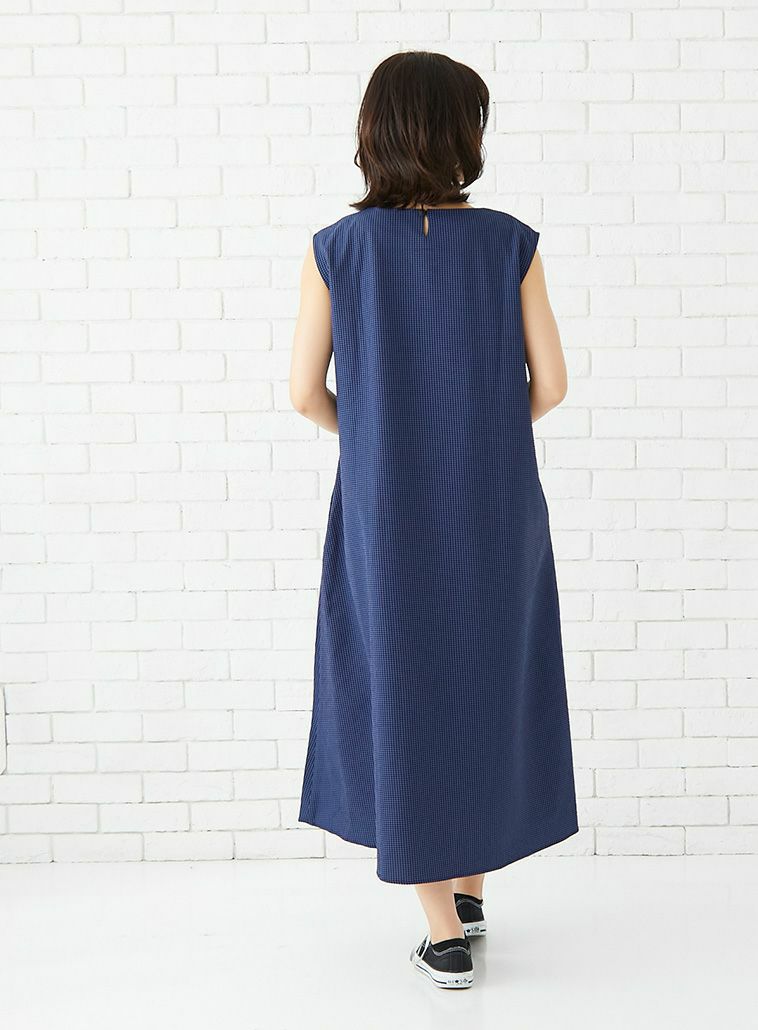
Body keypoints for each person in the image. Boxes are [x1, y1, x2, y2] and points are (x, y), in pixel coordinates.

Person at [289, 51, 578, 990]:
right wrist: (479, 435)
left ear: (375, 132)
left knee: (402, 683)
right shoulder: (510, 243)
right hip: (494, 503)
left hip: (387, 510)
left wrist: (379, 437)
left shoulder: (338, 249)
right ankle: (471, 894)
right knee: (489, 674)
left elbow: (304, 393)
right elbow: (551, 385)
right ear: (460, 136)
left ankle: (442, 932)